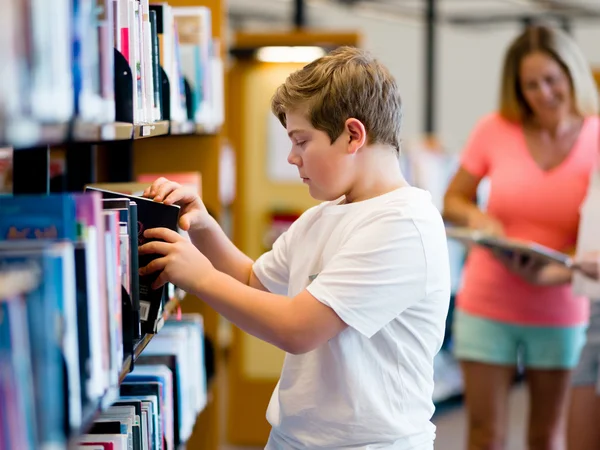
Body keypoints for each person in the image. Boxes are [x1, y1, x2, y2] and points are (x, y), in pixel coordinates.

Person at [140, 47, 451, 449]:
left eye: (301, 141)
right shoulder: (325, 215)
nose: (292, 157)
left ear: (353, 135)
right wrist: (202, 226)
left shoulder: (403, 225)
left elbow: (298, 328)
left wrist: (197, 276)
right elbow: (256, 282)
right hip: (295, 437)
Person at [443, 25, 599, 450]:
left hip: (561, 305)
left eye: (552, 79)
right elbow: (453, 199)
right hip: (488, 298)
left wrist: (561, 261)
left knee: (546, 437)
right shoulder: (494, 129)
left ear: (572, 74)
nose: (542, 93)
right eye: (530, 85)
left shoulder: (597, 137)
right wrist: (479, 217)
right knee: (484, 434)